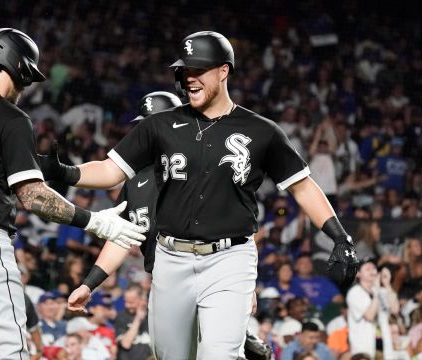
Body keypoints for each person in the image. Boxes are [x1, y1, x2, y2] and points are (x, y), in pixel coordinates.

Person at [43, 30, 358, 359]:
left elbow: (302, 186)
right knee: (171, 355)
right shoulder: (159, 125)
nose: (189, 78)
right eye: (184, 71)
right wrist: (67, 172)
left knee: (219, 354)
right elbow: (110, 171)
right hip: (170, 258)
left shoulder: (261, 130)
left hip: (229, 258)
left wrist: (339, 235)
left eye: (198, 70)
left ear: (224, 71)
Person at [0, 28, 146, 360]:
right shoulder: (10, 116)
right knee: (11, 353)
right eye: (26, 76)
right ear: (16, 65)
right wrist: (94, 222)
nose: (25, 86)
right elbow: (33, 197)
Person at [346, 260, 399, 358]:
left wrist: (387, 284)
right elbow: (370, 316)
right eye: (368, 269)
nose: (372, 271)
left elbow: (395, 310)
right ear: (358, 274)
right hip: (363, 348)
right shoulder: (355, 293)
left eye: (374, 268)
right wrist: (376, 293)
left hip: (384, 346)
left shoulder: (382, 291)